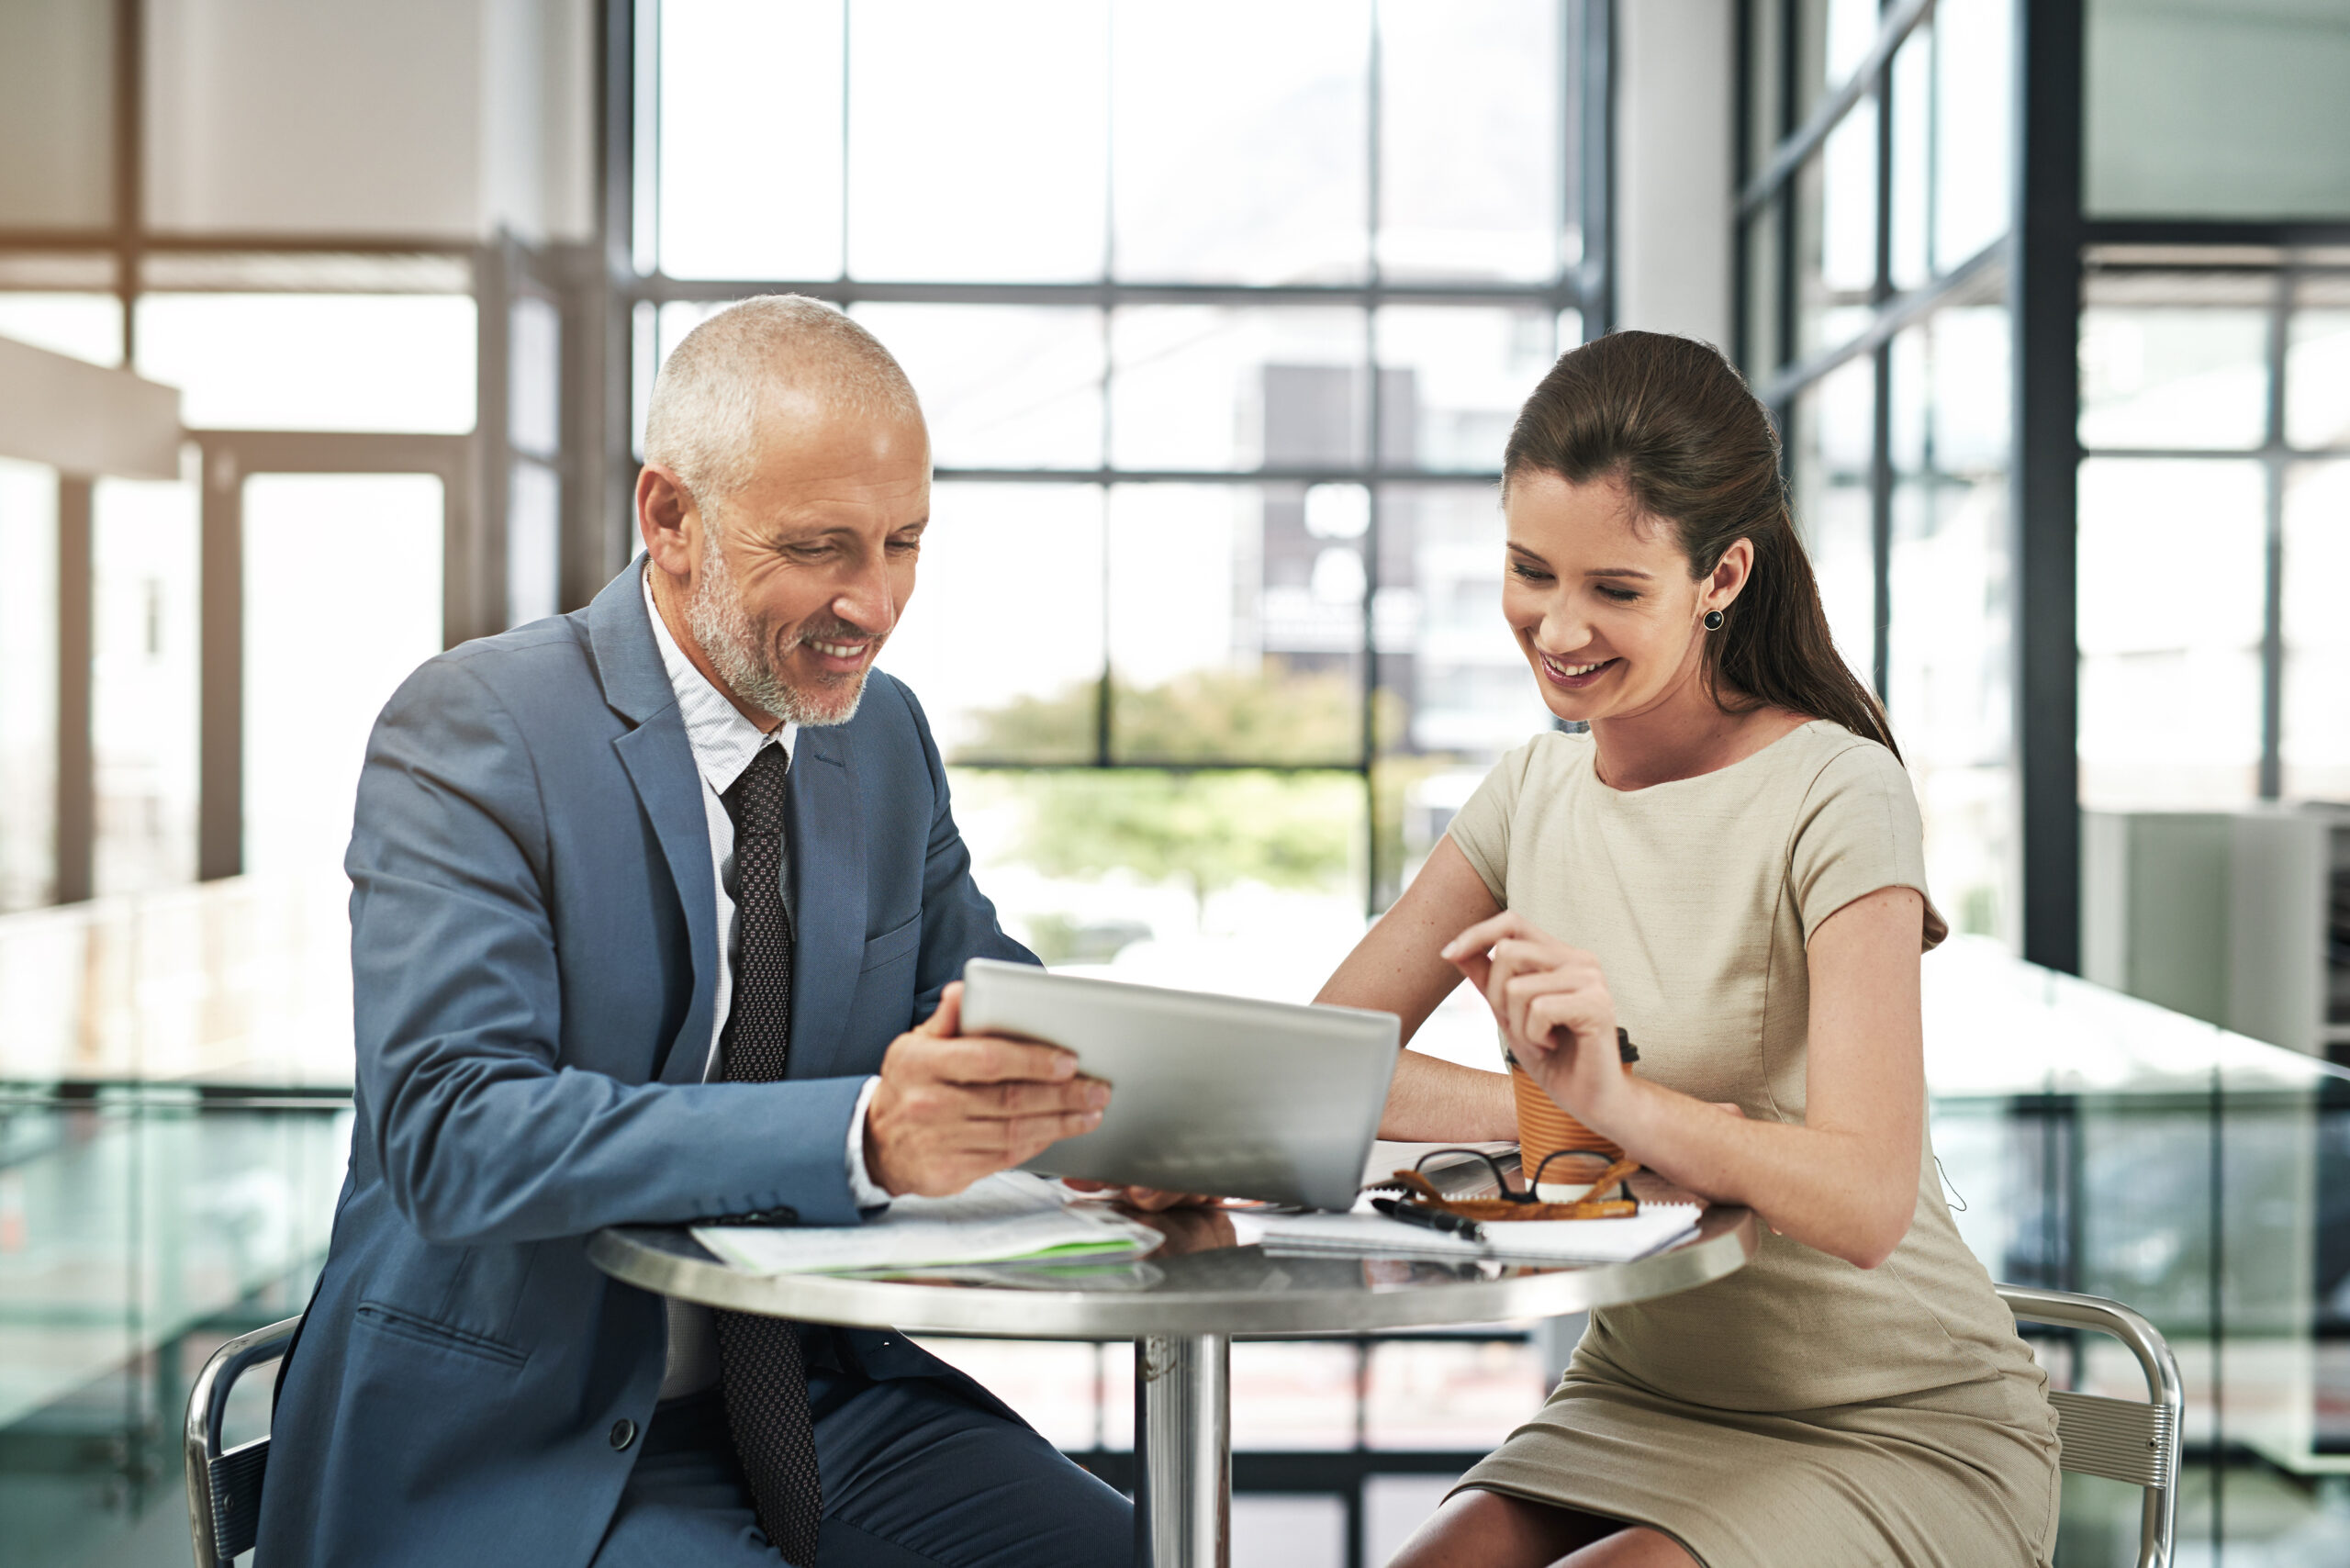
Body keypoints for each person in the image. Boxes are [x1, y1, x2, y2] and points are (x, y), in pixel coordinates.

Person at [253, 296, 1133, 1568]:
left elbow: (990, 1004)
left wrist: (1121, 1115)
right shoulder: (478, 731)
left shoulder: (881, 741)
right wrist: (858, 1135)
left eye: (903, 543)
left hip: (821, 1399)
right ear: (669, 519)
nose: (874, 605)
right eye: (824, 547)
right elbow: (450, 1131)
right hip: (517, 1431)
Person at [1315, 331, 2061, 1567]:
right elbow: (1332, 1060)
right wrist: (1567, 1113)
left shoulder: (1839, 790)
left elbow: (1869, 1200)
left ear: (1721, 578)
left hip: (1890, 1424)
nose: (1556, 628)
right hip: (1640, 1396)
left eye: (1615, 590)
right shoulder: (1529, 792)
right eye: (1528, 571)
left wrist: (1616, 1101)